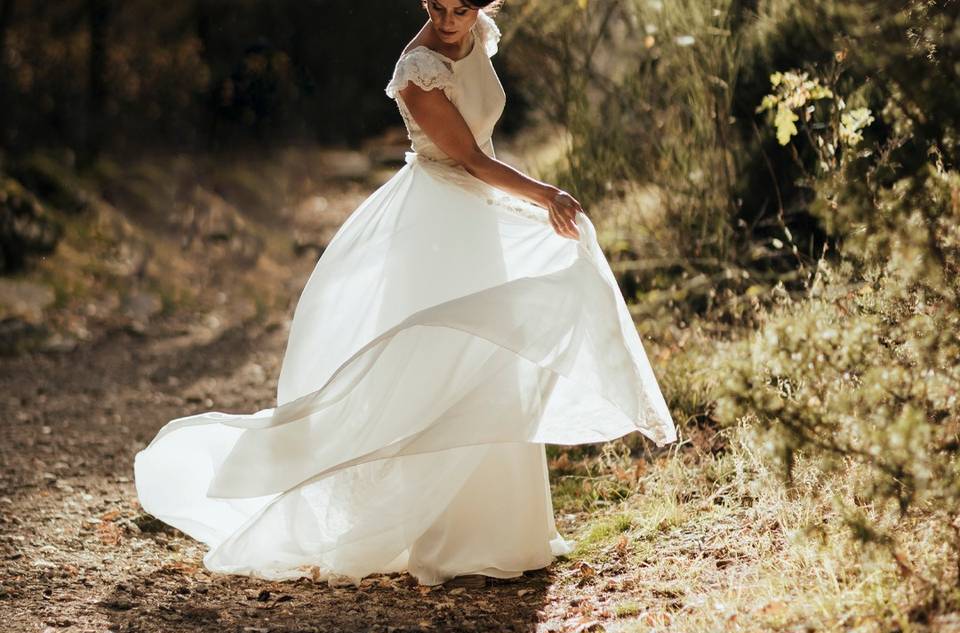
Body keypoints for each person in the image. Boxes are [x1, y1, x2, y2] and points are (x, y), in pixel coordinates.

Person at [133, 0, 677, 589]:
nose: (448, 20)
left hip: (479, 214)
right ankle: (445, 537)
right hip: (440, 223)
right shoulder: (418, 71)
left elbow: (482, 145)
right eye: (438, 7)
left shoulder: (477, 35)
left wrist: (524, 201)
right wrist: (543, 195)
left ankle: (504, 530)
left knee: (496, 359)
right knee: (445, 367)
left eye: (461, 8)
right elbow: (466, 158)